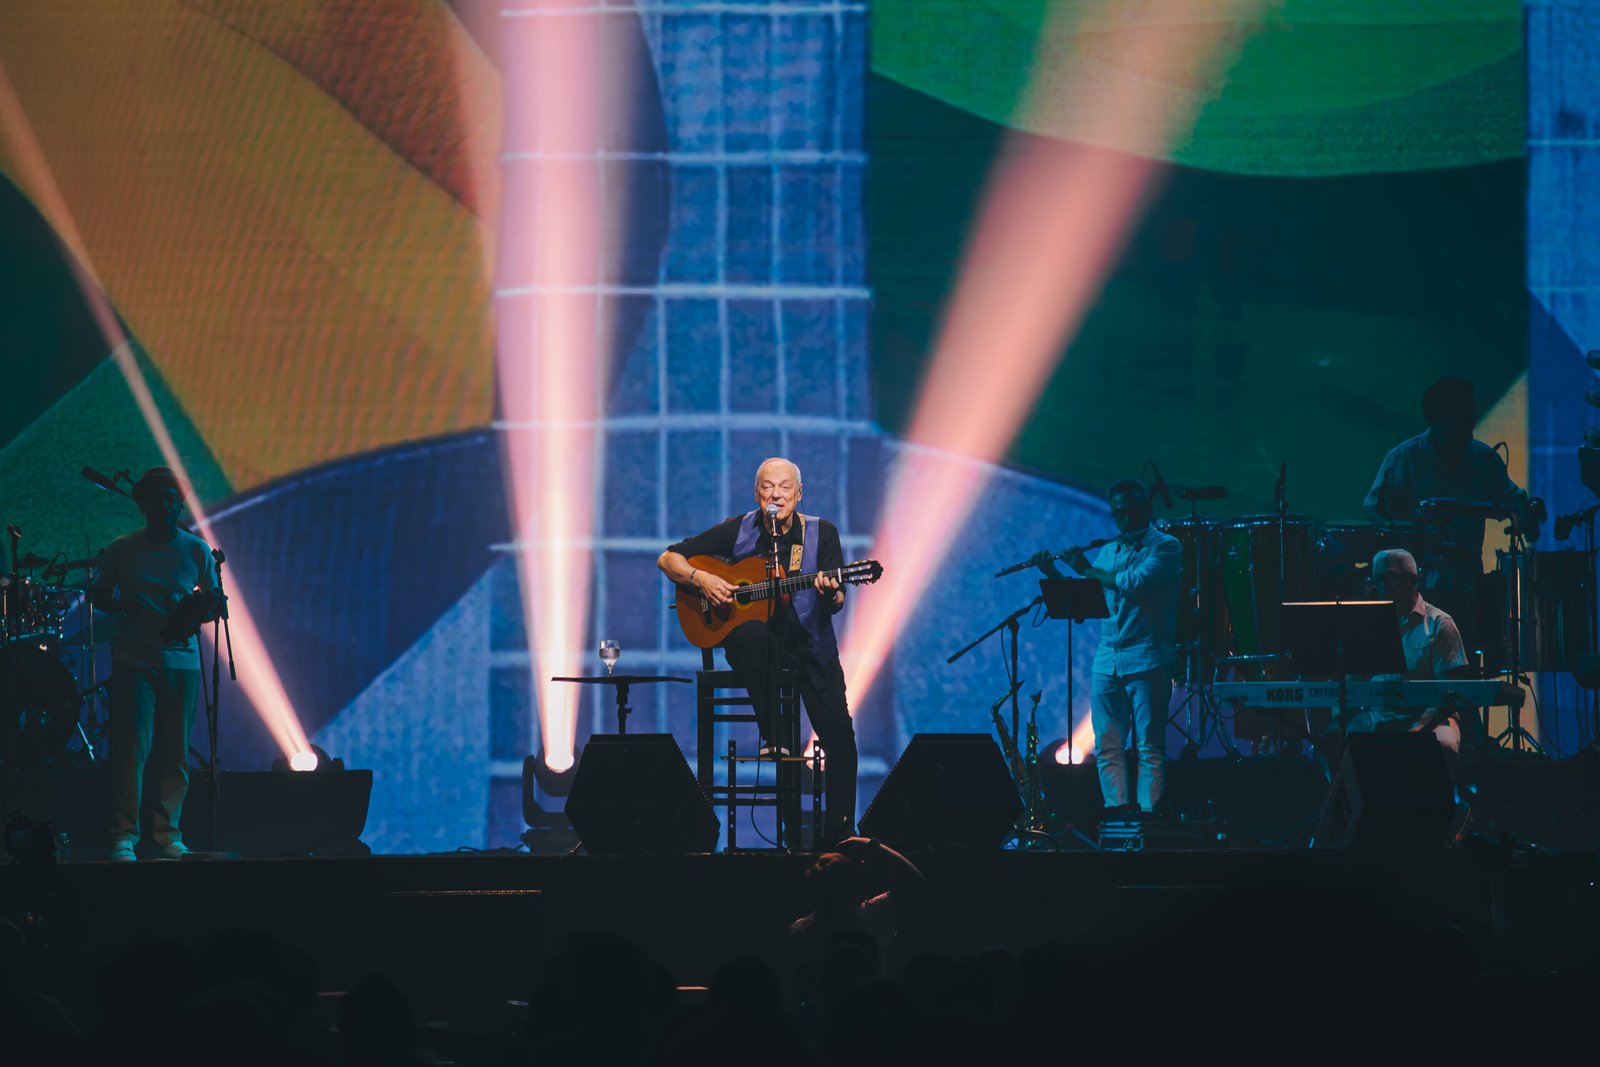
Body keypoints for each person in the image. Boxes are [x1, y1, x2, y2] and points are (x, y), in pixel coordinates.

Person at [657, 457, 857, 841]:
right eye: (768, 487)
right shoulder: (738, 530)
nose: (776, 495)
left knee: (840, 740)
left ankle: (840, 835)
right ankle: (777, 738)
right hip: (759, 655)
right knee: (749, 634)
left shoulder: (822, 534)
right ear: (756, 493)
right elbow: (668, 558)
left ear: (799, 495)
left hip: (812, 650)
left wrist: (832, 594)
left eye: (785, 488)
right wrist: (702, 580)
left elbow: (837, 602)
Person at [90, 467, 220, 861]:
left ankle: (167, 834)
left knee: (175, 752)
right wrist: (119, 605)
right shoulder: (122, 548)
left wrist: (195, 613)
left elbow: (216, 603)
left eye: (174, 498)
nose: (169, 504)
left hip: (182, 662)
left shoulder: (196, 550)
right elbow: (98, 593)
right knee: (132, 749)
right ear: (144, 505)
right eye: (161, 498)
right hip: (135, 659)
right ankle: (124, 835)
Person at [1363, 375, 1540, 663]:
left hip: (1470, 584)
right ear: (1439, 416)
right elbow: (1374, 509)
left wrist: (1530, 512)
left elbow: (1517, 504)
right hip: (1417, 586)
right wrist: (1418, 532)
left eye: (1471, 411)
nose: (1472, 418)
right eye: (1464, 412)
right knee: (1418, 666)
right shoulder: (1404, 458)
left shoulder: (1484, 461)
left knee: (1465, 665)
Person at [1036, 479, 1182, 812]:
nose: (1125, 520)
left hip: (1148, 658)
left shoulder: (1166, 546)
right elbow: (1086, 599)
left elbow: (1135, 584)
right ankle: (1118, 817)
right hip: (1108, 661)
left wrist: (1086, 568)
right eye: (1119, 514)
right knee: (1107, 747)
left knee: (1149, 747)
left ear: (1145, 509)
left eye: (1131, 512)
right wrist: (1053, 573)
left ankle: (1148, 824)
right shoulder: (1111, 550)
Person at [1343, 548, 1469, 754]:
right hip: (1378, 715)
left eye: (1389, 578)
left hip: (1431, 714)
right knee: (1337, 744)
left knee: (1443, 745)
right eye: (1377, 580)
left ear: (1412, 580)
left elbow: (1450, 694)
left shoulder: (1439, 624)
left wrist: (1420, 727)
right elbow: (1353, 685)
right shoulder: (1368, 625)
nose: (1382, 586)